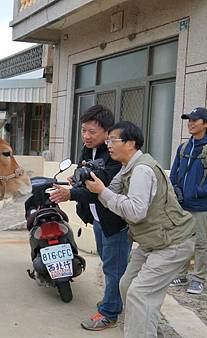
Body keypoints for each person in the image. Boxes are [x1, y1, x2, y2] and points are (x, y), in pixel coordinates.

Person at [85, 121, 195, 338]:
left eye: (113, 140)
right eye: (108, 140)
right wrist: (88, 184)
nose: (109, 145)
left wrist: (103, 193)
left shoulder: (142, 170)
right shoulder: (127, 167)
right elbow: (112, 191)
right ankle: (147, 330)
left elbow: (135, 211)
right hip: (153, 241)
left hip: (172, 242)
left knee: (140, 293)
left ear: (130, 143)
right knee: (127, 284)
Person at [49, 104, 130, 331]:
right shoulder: (88, 150)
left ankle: (109, 313)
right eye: (84, 130)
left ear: (107, 132)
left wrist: (70, 193)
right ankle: (114, 301)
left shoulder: (114, 155)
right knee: (110, 264)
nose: (86, 136)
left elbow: (100, 188)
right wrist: (75, 181)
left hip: (115, 221)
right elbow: (84, 175)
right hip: (98, 219)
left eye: (92, 132)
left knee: (114, 268)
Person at [169, 107, 207, 294]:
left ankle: (198, 278)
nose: (191, 123)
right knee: (182, 240)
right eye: (189, 120)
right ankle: (181, 274)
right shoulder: (184, 147)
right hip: (182, 203)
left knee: (200, 242)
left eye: (195, 120)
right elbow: (174, 173)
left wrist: (200, 191)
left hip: (201, 205)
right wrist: (174, 191)